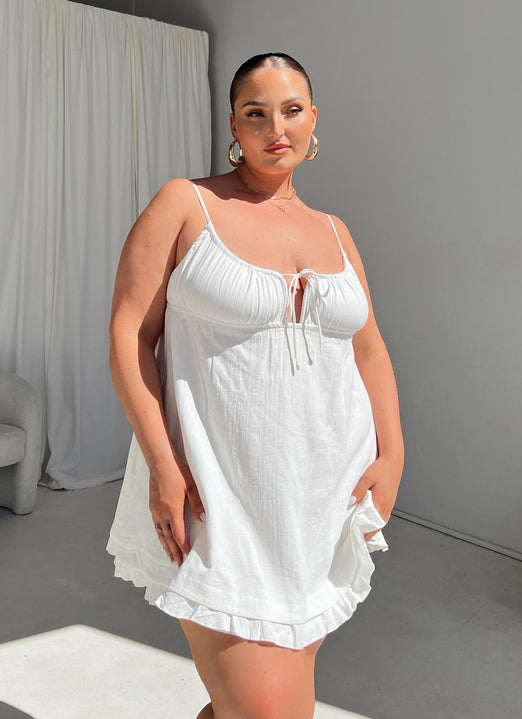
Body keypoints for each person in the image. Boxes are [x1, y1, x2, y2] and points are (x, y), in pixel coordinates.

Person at [106, 52, 404, 719]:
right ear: (233, 125)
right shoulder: (186, 204)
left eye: (291, 110)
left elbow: (369, 349)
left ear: (313, 119)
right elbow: (130, 335)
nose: (276, 127)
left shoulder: (334, 232)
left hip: (320, 500)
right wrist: (162, 464)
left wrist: (393, 455)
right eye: (256, 112)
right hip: (220, 495)